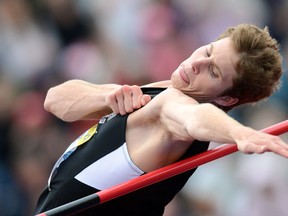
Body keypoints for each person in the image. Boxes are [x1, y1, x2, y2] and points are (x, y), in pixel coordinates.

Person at [34, 24, 288, 215]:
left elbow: (193, 118)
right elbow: (55, 100)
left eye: (213, 71)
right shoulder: (166, 89)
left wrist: (238, 133)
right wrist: (108, 97)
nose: (197, 62)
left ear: (226, 100)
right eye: (208, 51)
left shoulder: (176, 109)